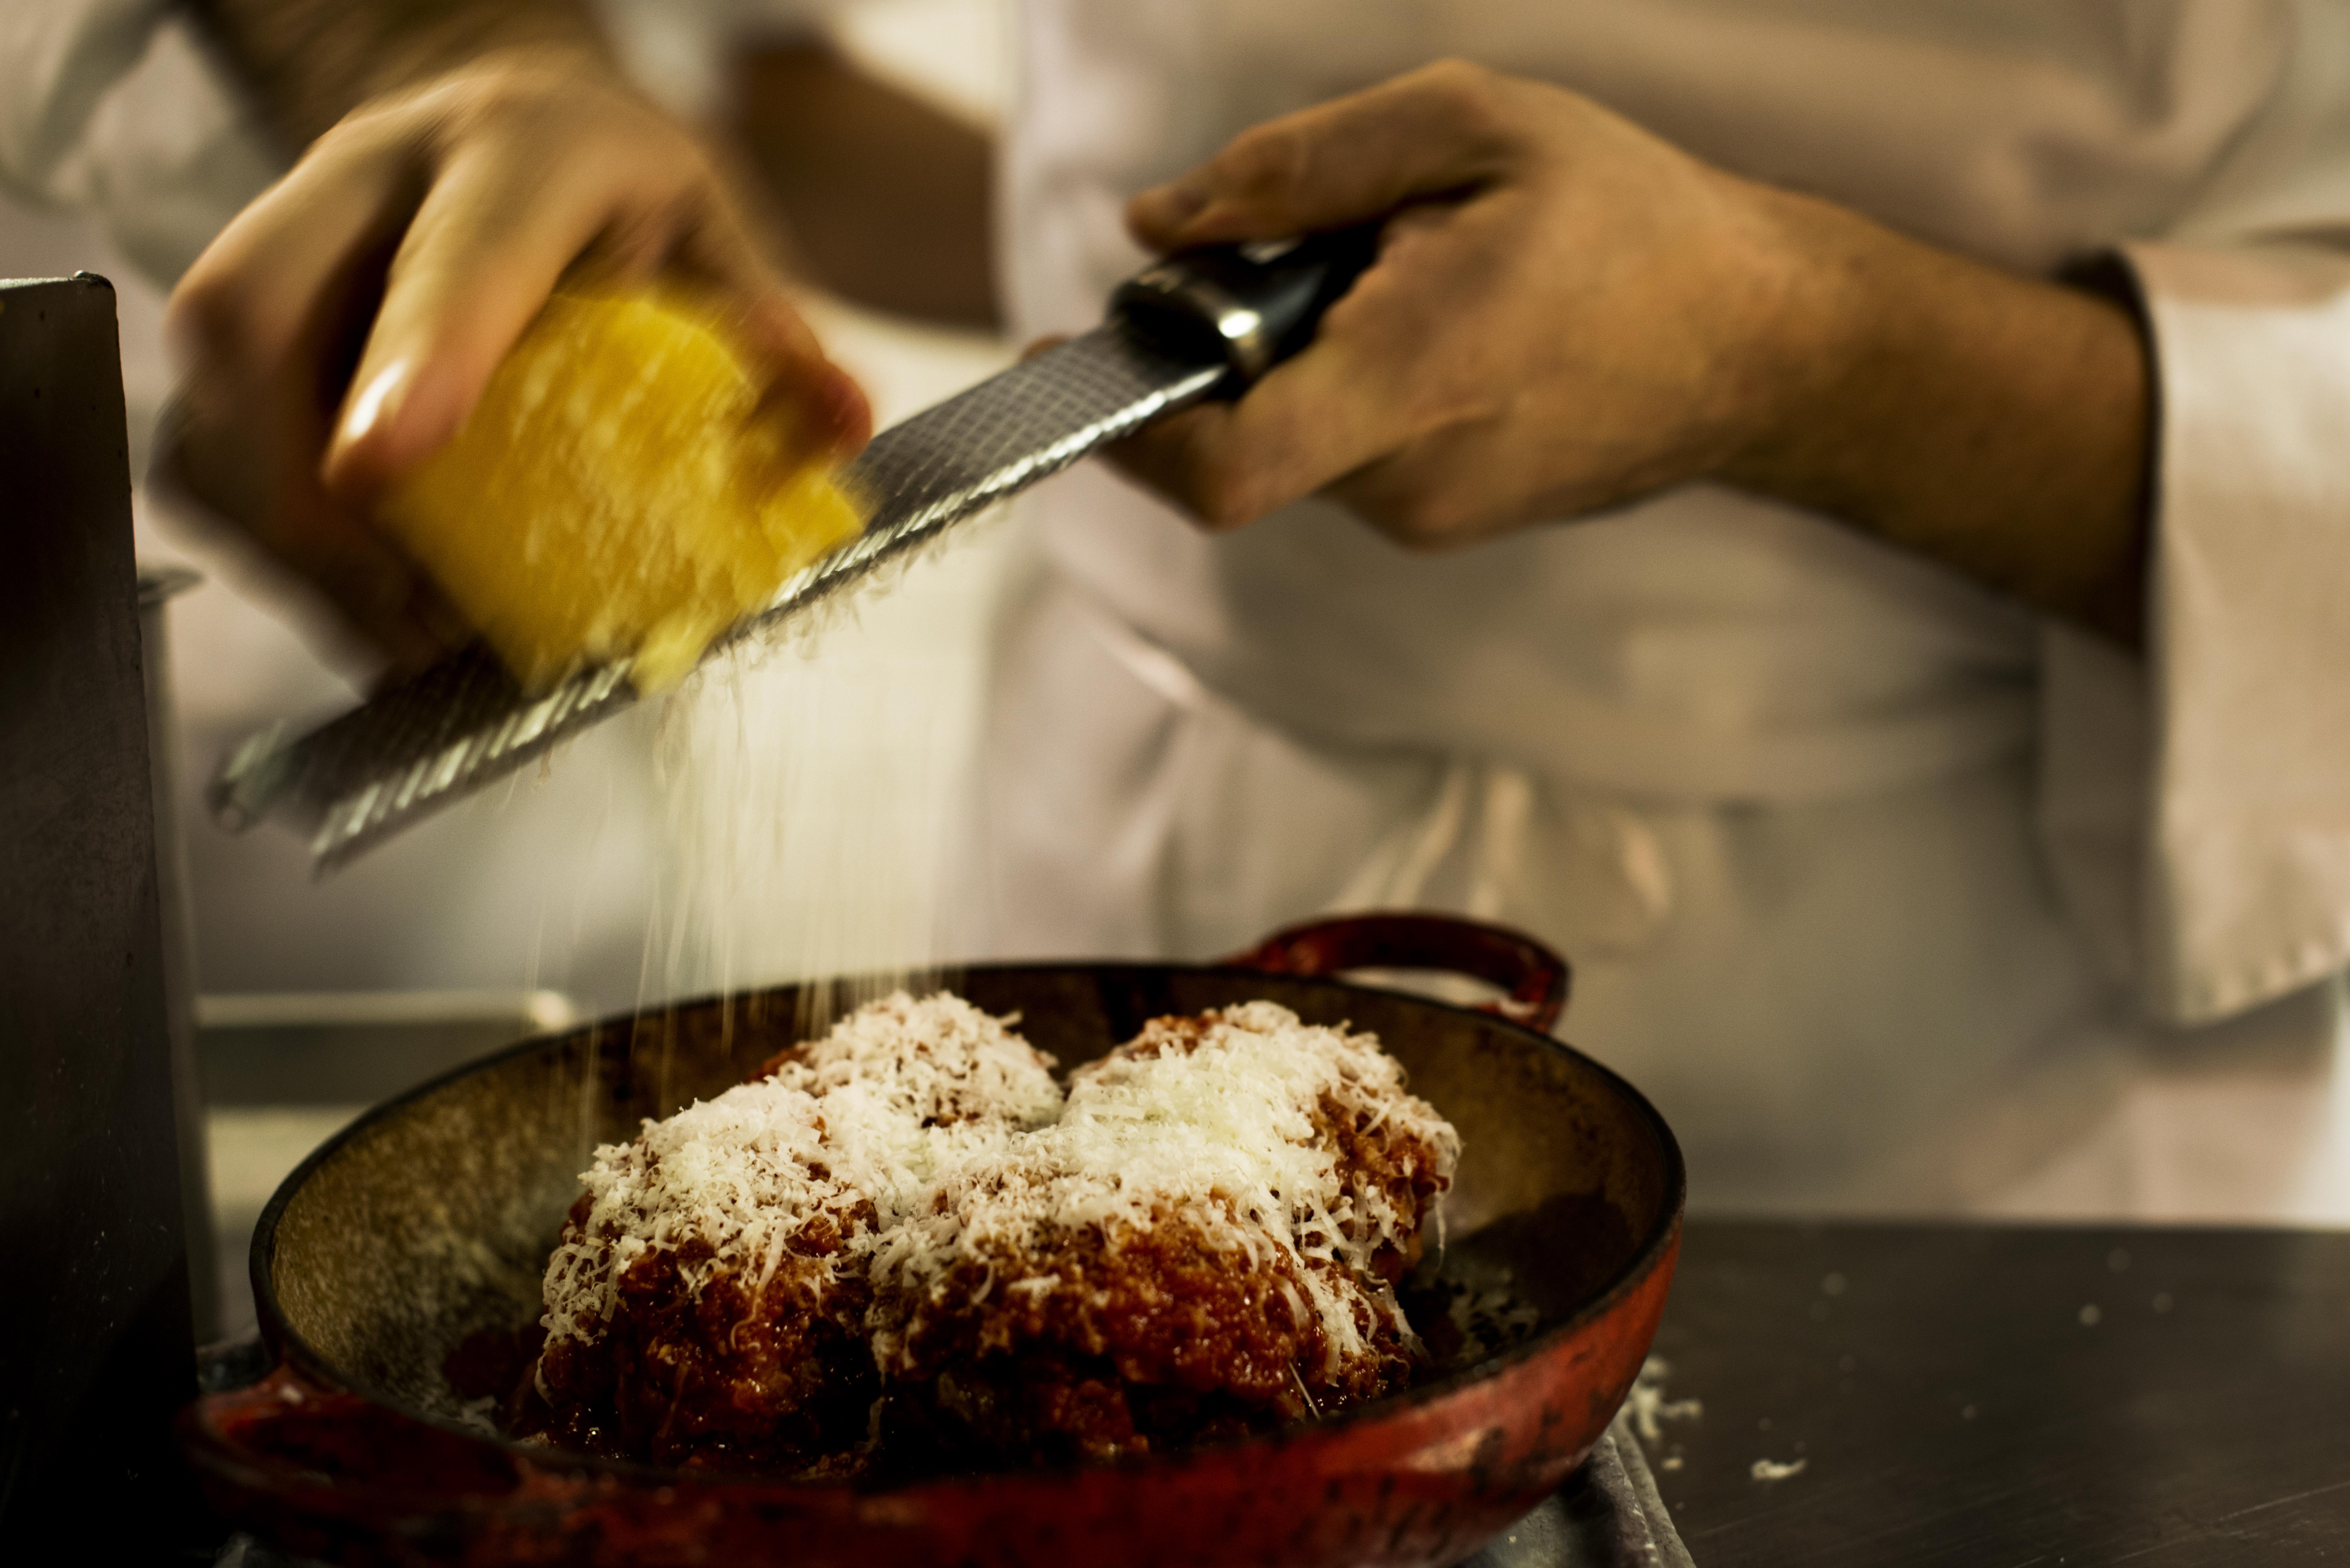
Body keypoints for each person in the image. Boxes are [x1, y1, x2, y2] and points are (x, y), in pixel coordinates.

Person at [17, 0, 2350, 1215]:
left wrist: (1802, 347)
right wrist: (478, 74)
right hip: (1134, 869)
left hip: (1991, 1046)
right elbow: (782, 92)